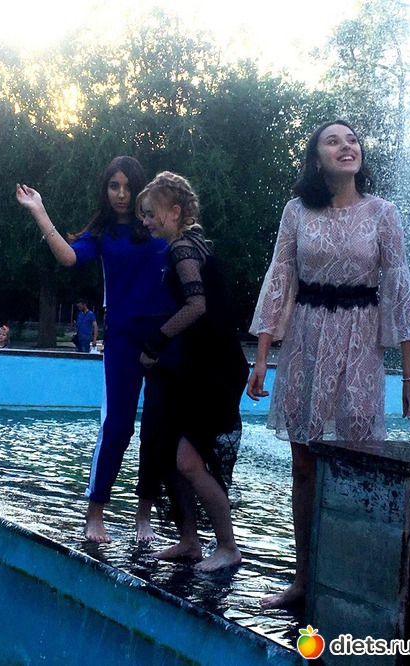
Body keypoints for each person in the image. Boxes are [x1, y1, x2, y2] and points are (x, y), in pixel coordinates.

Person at [247, 120, 410, 608]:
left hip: (360, 345)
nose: (347, 146)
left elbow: (400, 289)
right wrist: (262, 357)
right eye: (333, 140)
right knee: (304, 464)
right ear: (317, 158)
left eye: (352, 139)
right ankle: (303, 580)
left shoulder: (383, 213)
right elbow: (280, 279)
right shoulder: (296, 211)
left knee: (358, 457)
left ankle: (356, 582)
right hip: (306, 339)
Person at [16, 156, 176, 543]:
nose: (121, 194)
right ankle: (95, 513)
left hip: (166, 335)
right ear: (106, 190)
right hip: (123, 338)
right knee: (117, 425)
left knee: (158, 428)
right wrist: (39, 211)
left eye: (128, 187)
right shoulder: (102, 231)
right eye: (113, 186)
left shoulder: (157, 225)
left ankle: (143, 515)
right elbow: (69, 256)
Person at [136, 171, 249, 572]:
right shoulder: (194, 243)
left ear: (174, 212)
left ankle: (228, 546)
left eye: (150, 214)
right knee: (171, 452)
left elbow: (196, 306)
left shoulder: (182, 248)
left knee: (187, 460)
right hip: (201, 367)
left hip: (215, 371)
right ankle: (189, 541)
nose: (145, 221)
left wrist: (155, 342)